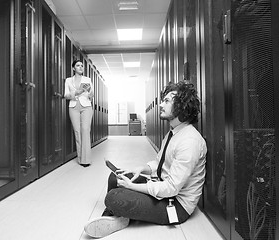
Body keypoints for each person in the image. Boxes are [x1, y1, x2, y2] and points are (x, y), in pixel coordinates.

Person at [84, 81, 207, 238]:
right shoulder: (174, 133)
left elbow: (171, 189)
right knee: (115, 177)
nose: (161, 105)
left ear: (181, 106)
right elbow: (160, 163)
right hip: (161, 189)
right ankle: (117, 216)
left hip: (175, 205)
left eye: (167, 101)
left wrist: (132, 187)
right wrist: (140, 169)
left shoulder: (190, 141)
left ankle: (114, 216)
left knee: (114, 197)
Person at [64, 59, 94, 167]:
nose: (81, 67)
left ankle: (86, 160)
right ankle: (80, 158)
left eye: (82, 65)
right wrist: (76, 92)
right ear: (73, 68)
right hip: (73, 107)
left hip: (86, 106)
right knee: (77, 132)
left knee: (85, 130)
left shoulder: (88, 79)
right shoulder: (68, 80)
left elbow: (91, 95)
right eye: (78, 65)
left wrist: (89, 92)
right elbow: (66, 95)